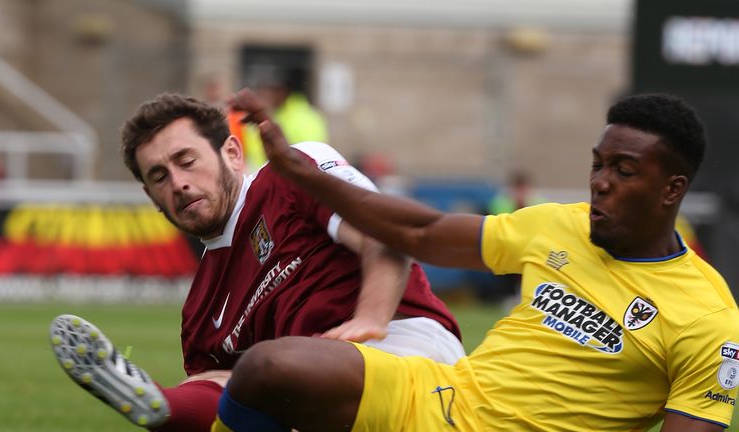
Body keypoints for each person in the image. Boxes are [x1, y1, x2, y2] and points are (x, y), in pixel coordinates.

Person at [211, 90, 739, 432]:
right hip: (440, 399)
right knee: (268, 367)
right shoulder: (559, 224)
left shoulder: (709, 319)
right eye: (599, 164)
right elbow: (421, 231)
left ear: (672, 189)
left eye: (625, 170)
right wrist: (297, 171)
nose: (601, 182)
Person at [48, 94, 464, 431]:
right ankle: (161, 402)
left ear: (231, 152)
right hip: (317, 401)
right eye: (159, 177)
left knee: (264, 368)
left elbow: (383, 231)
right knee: (227, 388)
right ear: (151, 198)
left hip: (406, 356)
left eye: (186, 161)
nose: (178, 183)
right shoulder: (199, 313)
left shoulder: (290, 173)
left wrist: (370, 318)